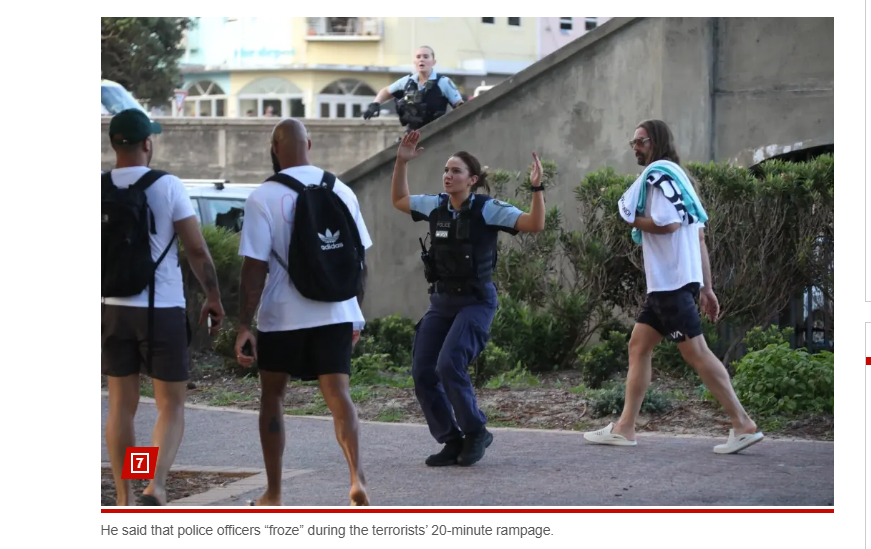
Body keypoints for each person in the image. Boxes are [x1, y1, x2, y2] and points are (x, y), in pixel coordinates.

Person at [583, 119, 764, 454]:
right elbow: (699, 236)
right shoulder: (680, 180)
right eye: (633, 142)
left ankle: (743, 423)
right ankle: (624, 427)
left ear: (656, 142)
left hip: (670, 283)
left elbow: (668, 224)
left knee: (697, 353)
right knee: (638, 346)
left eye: (640, 141)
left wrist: (630, 219)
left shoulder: (658, 177)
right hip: (671, 284)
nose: (635, 147)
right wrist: (706, 288)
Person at [234, 118, 372, 506]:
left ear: (274, 149)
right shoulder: (341, 190)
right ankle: (356, 478)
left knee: (273, 397)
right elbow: (360, 260)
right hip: (335, 312)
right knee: (339, 395)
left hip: (282, 316)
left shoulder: (263, 196)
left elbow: (254, 268)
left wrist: (244, 324)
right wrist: (354, 312)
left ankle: (274, 492)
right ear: (308, 144)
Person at [391, 130, 546, 467]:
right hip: (442, 301)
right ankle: (451, 439)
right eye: (446, 170)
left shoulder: (488, 209)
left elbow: (535, 224)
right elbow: (400, 200)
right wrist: (401, 162)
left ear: (472, 180)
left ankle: (476, 432)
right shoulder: (436, 205)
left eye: (456, 171)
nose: (448, 175)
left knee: (449, 364)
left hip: (476, 301)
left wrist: (537, 188)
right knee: (423, 371)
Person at [102, 108, 225, 505]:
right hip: (162, 308)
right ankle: (153, 482)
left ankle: (124, 496)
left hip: (112, 308)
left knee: (122, 408)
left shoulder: (97, 187)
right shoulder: (167, 185)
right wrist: (213, 296)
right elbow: (196, 249)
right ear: (147, 143)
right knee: (169, 405)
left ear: (114, 144)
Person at [363, 46, 464, 133]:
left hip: (436, 134)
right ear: (414, 62)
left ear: (433, 62)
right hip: (412, 135)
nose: (421, 60)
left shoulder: (443, 82)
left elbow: (460, 105)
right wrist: (375, 104)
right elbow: (386, 91)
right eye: (418, 57)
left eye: (426, 57)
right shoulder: (407, 81)